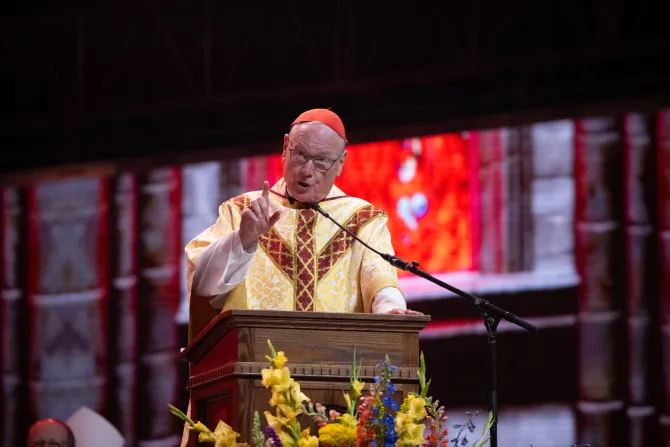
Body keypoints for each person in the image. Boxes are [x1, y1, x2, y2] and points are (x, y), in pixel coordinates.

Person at [184, 108, 422, 341]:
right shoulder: (243, 210)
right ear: (285, 147)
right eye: (300, 155)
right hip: (256, 369)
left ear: (340, 163)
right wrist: (241, 241)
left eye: (321, 161)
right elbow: (204, 288)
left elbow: (380, 280)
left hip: (338, 369)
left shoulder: (362, 220)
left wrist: (392, 312)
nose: (307, 171)